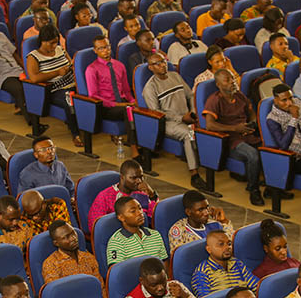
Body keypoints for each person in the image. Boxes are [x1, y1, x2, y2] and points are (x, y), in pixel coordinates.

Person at [142, 54, 205, 190]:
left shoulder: (175, 76)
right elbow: (156, 113)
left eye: (163, 62)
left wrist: (193, 113)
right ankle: (194, 174)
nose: (162, 65)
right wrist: (181, 119)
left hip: (187, 115)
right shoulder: (150, 87)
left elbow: (190, 95)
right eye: (157, 64)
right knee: (188, 134)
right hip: (167, 122)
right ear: (150, 67)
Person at [202, 69, 264, 205]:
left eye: (233, 79)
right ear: (218, 84)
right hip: (231, 139)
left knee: (268, 150)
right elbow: (210, 125)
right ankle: (254, 191)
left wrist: (252, 123)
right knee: (253, 155)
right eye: (227, 80)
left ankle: (272, 187)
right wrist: (234, 128)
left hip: (247, 133)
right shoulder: (214, 100)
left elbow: (251, 112)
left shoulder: (239, 95)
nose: (233, 82)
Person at [85, 35, 142, 160]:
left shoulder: (119, 65)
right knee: (128, 111)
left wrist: (133, 101)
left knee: (140, 109)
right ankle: (134, 149)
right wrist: (120, 105)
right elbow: (94, 96)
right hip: (106, 106)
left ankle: (146, 145)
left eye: (107, 47)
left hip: (122, 101)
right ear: (95, 50)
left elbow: (126, 90)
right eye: (101, 48)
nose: (105, 50)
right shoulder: (92, 69)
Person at [88, 159, 158, 227]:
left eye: (141, 177)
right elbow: (95, 226)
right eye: (134, 178)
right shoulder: (105, 196)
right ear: (122, 177)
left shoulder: (142, 192)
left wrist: (152, 195)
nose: (139, 181)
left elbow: (155, 218)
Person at [191, 230, 259, 298]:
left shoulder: (237, 263)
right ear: (209, 249)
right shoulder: (202, 272)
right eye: (221, 244)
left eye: (229, 244)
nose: (227, 247)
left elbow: (256, 287)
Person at [107, 196, 168, 265]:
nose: (140, 213)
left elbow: (164, 262)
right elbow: (117, 272)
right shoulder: (116, 242)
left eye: (140, 208)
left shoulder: (155, 234)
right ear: (121, 217)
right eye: (133, 211)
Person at [123, 256, 197, 298]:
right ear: (142, 281)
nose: (160, 288)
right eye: (154, 285)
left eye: (163, 282)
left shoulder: (175, 286)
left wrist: (185, 296)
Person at [167, 191, 234, 253]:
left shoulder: (214, 224)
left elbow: (231, 244)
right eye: (201, 210)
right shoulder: (179, 231)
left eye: (207, 207)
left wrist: (224, 221)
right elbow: (178, 259)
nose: (206, 213)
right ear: (188, 212)